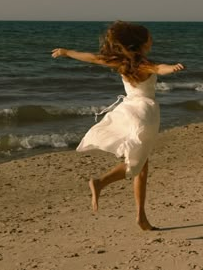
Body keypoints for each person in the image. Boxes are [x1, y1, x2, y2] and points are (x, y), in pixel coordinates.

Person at [51, 20, 184, 230]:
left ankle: (142, 218)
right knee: (137, 164)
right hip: (144, 114)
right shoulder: (143, 64)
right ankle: (100, 182)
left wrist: (67, 52)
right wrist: (173, 68)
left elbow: (92, 58)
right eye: (149, 38)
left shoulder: (121, 63)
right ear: (141, 43)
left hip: (128, 110)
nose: (152, 40)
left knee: (141, 166)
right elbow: (160, 68)